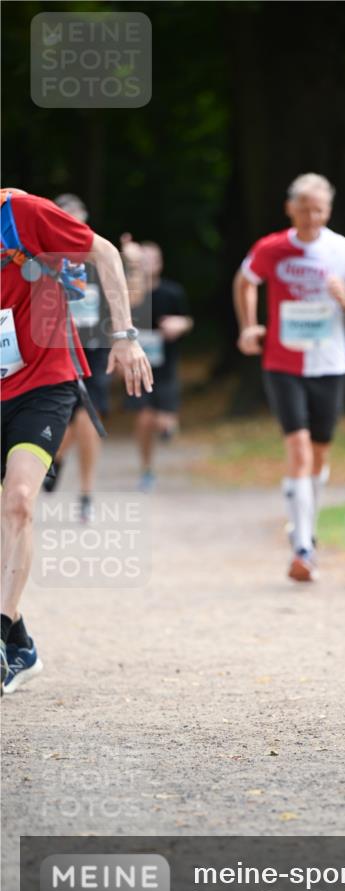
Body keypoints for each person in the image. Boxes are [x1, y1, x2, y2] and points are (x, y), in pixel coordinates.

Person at [1, 188, 152, 695]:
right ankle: (19, 636)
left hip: (44, 382)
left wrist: (126, 337)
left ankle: (2, 636)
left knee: (20, 499)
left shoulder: (18, 213)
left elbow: (104, 251)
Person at [233, 173, 345, 582]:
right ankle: (302, 547)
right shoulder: (272, 248)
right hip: (282, 363)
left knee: (319, 456)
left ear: (328, 211)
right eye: (304, 209)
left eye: (319, 210)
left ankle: (306, 529)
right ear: (290, 209)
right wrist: (248, 325)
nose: (312, 217)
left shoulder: (344, 251)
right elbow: (245, 280)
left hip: (330, 364)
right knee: (297, 452)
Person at [44, 194, 145, 521]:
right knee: (63, 423)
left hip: (93, 351)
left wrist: (134, 264)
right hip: (52, 351)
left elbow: (135, 297)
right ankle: (56, 457)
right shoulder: (41, 256)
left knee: (88, 418)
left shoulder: (96, 257)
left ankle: (86, 492)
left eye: (75, 222)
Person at [126, 241, 193, 491]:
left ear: (160, 263)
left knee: (163, 422)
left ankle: (167, 427)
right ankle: (146, 470)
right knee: (144, 419)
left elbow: (188, 321)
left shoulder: (172, 292)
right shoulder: (128, 295)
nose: (146, 264)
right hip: (138, 368)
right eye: (141, 259)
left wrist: (179, 324)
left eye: (151, 259)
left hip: (166, 368)